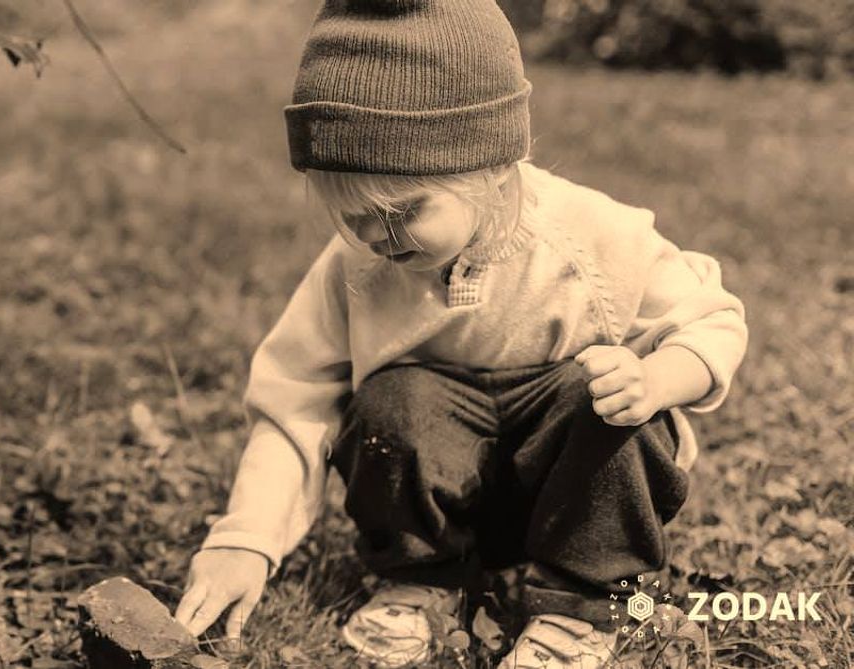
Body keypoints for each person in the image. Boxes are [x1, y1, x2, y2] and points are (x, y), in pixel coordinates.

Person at [173, 1, 749, 666]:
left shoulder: (593, 240)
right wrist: (245, 537)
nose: (375, 237)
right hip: (443, 495)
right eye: (351, 216)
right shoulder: (357, 270)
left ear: (492, 168)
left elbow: (712, 318)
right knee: (394, 399)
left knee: (605, 399)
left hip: (568, 490)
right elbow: (294, 401)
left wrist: (656, 378)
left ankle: (581, 607)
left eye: (401, 211)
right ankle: (423, 580)